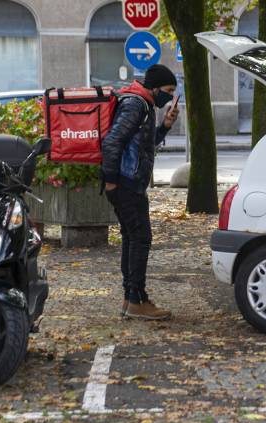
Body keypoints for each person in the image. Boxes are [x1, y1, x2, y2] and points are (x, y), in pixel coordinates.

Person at [101, 65, 180, 320]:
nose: (170, 96)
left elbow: (144, 145)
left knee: (132, 238)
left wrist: (165, 126)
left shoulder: (144, 104)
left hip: (130, 183)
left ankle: (131, 299)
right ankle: (136, 300)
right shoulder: (136, 104)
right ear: (155, 87)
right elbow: (113, 141)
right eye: (168, 90)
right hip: (126, 183)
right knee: (140, 238)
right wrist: (111, 181)